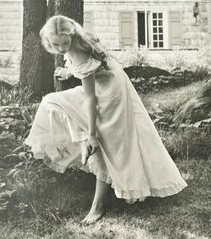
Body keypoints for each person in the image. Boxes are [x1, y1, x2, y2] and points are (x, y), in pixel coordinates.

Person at [25, 15, 187, 224]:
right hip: (109, 84)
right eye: (56, 44)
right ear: (48, 41)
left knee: (104, 142)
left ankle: (98, 203)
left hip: (110, 95)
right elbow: (92, 69)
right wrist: (69, 72)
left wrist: (92, 134)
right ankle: (86, 142)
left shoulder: (78, 49)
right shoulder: (80, 40)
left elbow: (90, 97)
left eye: (65, 43)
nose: (62, 48)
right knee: (53, 103)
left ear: (71, 35)